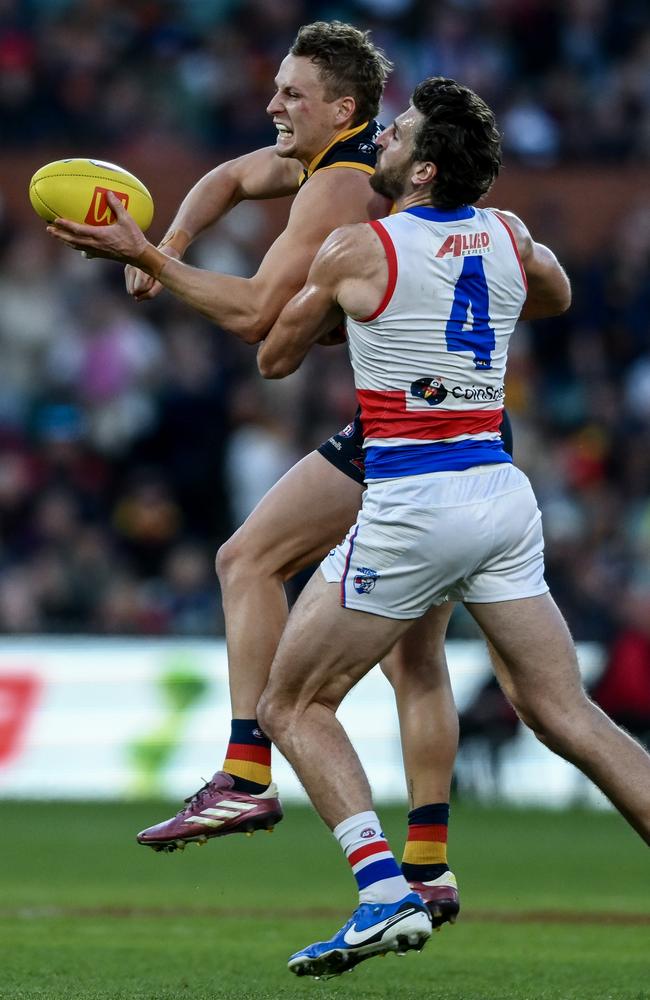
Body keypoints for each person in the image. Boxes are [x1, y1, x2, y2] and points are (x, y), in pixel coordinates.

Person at [47, 21, 461, 925]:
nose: (271, 105)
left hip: (399, 432)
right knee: (423, 663)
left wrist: (150, 258)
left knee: (248, 563)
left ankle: (245, 770)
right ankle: (428, 862)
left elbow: (255, 324)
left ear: (343, 110)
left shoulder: (339, 187)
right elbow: (230, 180)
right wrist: (179, 235)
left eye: (291, 94)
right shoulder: (340, 165)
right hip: (462, 429)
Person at [248, 76, 650, 978]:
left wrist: (325, 292)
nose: (379, 139)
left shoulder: (358, 247)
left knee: (290, 702)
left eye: (394, 134)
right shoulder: (508, 234)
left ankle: (384, 893)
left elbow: (274, 357)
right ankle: (418, 863)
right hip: (500, 494)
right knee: (565, 713)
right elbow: (557, 293)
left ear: (422, 169)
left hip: (413, 501)